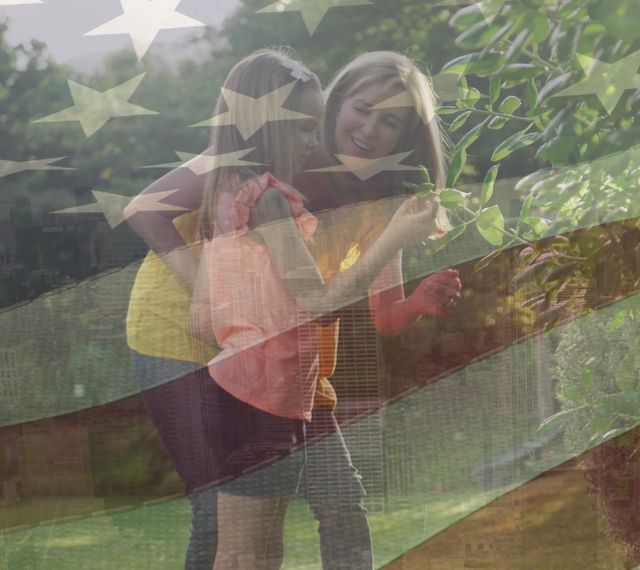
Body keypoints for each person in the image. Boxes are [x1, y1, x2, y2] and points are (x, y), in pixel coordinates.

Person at [126, 48, 461, 570]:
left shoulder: (386, 200)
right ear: (334, 104)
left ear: (409, 135)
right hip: (182, 327)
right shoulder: (276, 151)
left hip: (283, 354)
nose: (370, 129)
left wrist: (417, 302)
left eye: (389, 121)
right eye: (361, 108)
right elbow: (144, 209)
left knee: (318, 509)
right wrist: (206, 294)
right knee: (220, 520)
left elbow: (371, 311)